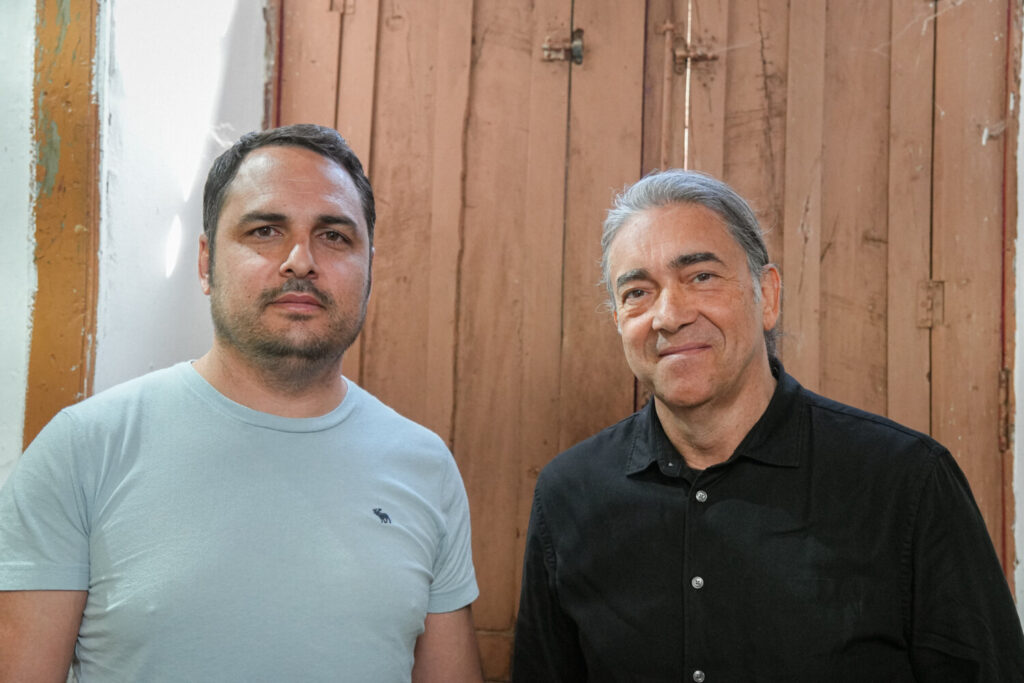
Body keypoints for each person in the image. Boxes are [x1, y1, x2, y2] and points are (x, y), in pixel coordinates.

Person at [0, 124, 482, 682]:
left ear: (369, 269)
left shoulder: (425, 465)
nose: (300, 260)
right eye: (265, 231)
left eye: (333, 236)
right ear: (205, 262)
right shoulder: (85, 448)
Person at [512, 169, 1024, 681]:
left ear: (768, 296)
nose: (668, 315)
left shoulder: (905, 483)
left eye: (701, 277)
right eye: (638, 292)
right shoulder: (569, 496)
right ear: (619, 321)